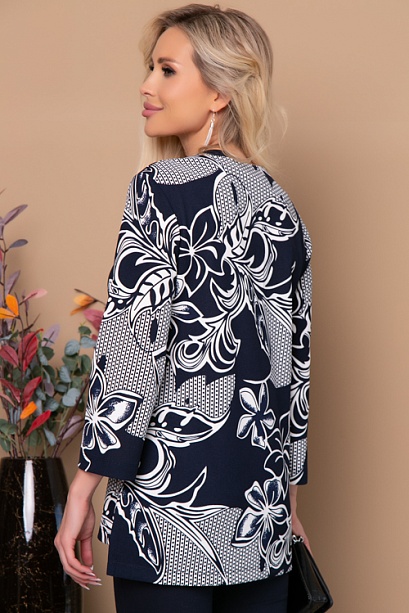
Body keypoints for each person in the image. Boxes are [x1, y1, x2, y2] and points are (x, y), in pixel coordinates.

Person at [55, 4, 312, 612]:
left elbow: (131, 350)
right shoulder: (282, 206)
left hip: (168, 518)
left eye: (167, 70)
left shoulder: (162, 188)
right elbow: (292, 371)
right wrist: (288, 505)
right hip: (260, 520)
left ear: (220, 92)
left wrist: (84, 489)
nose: (147, 86)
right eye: (150, 68)